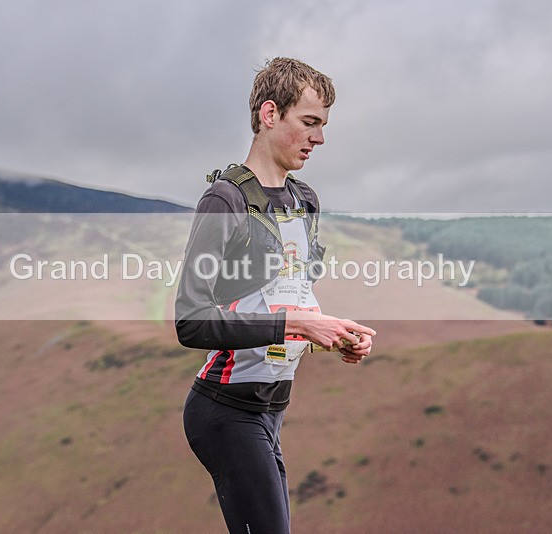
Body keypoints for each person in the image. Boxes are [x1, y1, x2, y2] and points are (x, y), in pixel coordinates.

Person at [175, 57, 375, 534]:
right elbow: (191, 320)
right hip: (225, 410)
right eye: (309, 122)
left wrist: (334, 332)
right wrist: (300, 325)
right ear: (269, 115)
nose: (319, 138)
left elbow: (286, 293)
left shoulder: (305, 200)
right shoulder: (224, 201)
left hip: (272, 408)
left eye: (323, 125)